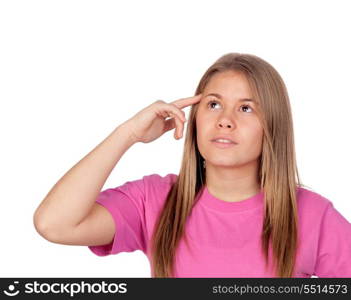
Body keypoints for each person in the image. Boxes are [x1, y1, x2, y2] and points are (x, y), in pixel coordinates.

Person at [33, 53, 351, 278]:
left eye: (246, 108)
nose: (225, 121)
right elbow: (54, 224)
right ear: (196, 117)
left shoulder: (312, 215)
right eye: (214, 104)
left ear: (273, 125)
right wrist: (127, 134)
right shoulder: (154, 200)